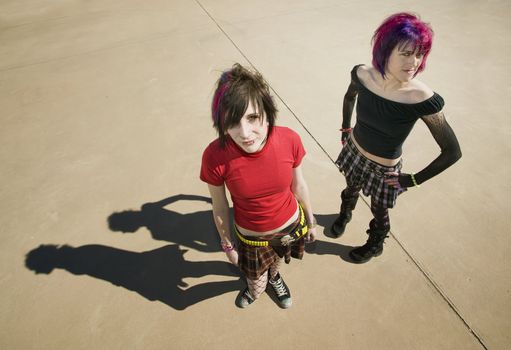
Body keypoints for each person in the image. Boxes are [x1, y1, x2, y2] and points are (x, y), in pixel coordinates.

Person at [331, 12, 462, 263]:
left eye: (419, 53)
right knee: (350, 187)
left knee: (380, 211)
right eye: (405, 53)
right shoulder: (362, 75)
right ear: (385, 50)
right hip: (355, 151)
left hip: (385, 170)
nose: (414, 62)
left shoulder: (421, 98)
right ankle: (345, 212)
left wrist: (412, 180)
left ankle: (375, 243)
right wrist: (346, 129)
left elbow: (452, 151)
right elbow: (349, 97)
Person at [200, 63, 316, 308]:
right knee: (255, 278)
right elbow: (220, 206)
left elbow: (299, 185)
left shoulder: (289, 139)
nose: (245, 133)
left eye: (253, 117)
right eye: (232, 122)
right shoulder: (214, 156)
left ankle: (274, 278)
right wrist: (227, 244)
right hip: (252, 239)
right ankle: (255, 289)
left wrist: (311, 220)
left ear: (267, 110)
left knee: (275, 265)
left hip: (291, 226)